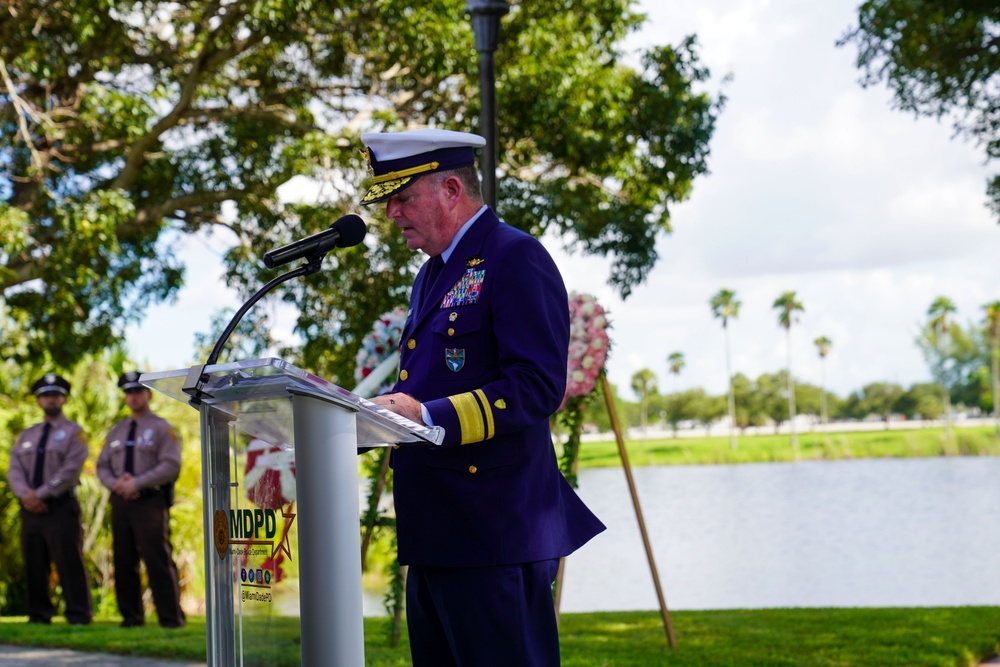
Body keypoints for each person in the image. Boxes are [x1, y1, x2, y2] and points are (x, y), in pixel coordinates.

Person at [363, 128, 606, 667]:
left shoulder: (514, 256)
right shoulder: (432, 275)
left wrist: (426, 415)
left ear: (451, 189)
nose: (391, 215)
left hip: (494, 533)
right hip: (438, 532)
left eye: (402, 198)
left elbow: (539, 384)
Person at [96, 371, 185, 628]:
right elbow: (102, 466)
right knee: (123, 561)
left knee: (157, 559)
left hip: (150, 502)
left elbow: (170, 465)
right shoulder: (117, 431)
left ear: (149, 394)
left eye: (138, 391)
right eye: (129, 392)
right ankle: (131, 618)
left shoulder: (161, 428)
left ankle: (170, 619)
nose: (133, 397)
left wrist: (137, 482)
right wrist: (118, 485)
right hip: (121, 502)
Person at [6, 373, 92, 625]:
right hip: (30, 509)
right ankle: (38, 615)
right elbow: (14, 469)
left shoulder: (74, 433)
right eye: (45, 395)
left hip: (61, 506)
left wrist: (41, 494)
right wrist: (26, 495)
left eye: (54, 395)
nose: (50, 399)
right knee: (34, 561)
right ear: (38, 401)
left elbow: (70, 470)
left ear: (63, 399)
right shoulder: (27, 436)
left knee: (68, 560)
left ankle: (78, 614)